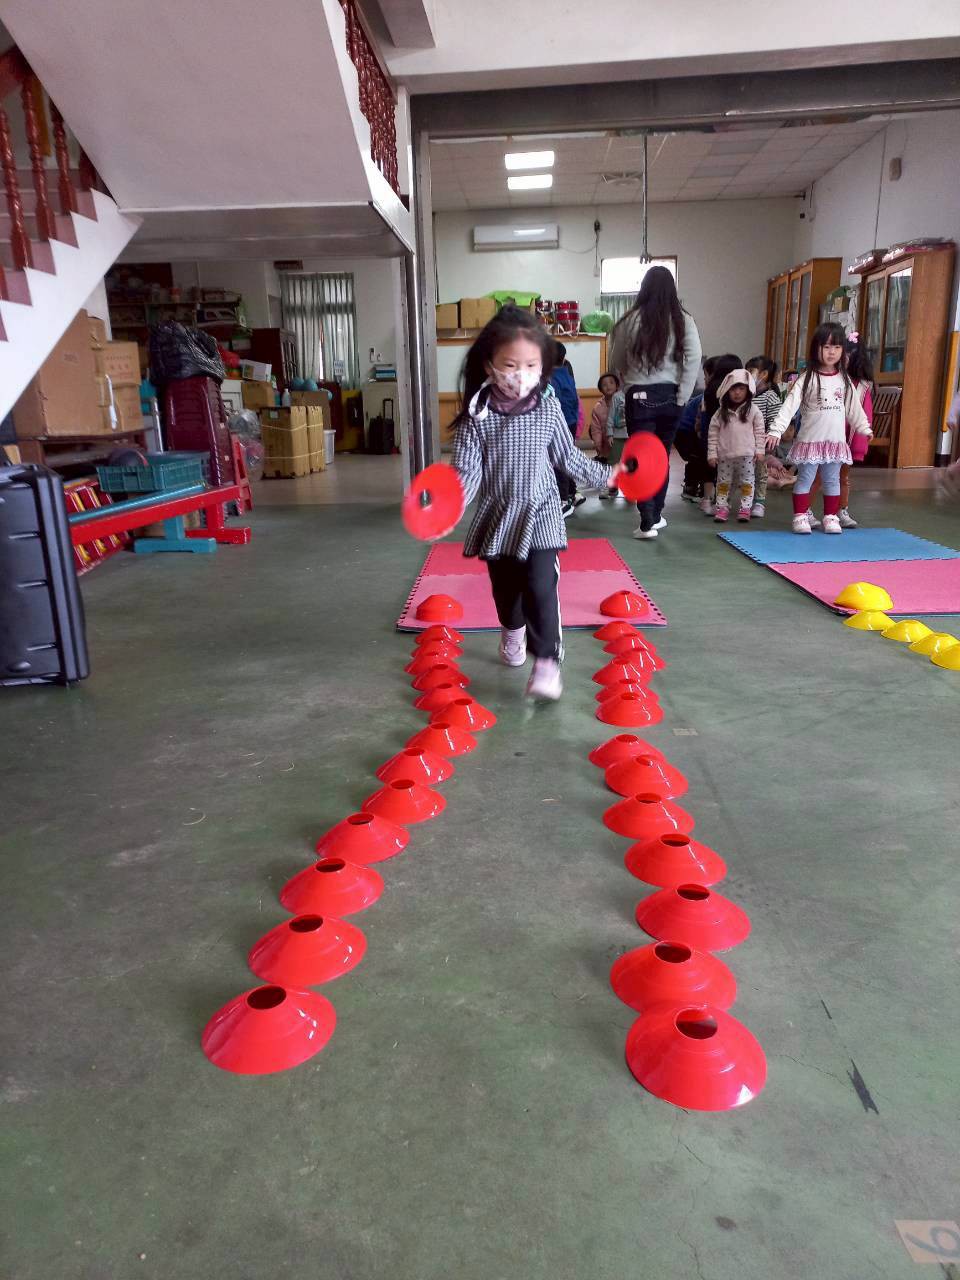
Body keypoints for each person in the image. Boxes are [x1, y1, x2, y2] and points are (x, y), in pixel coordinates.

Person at [451, 307, 621, 700]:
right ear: (489, 365)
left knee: (541, 586)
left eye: (531, 365)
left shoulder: (547, 407)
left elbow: (567, 457)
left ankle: (546, 661)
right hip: (498, 515)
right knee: (506, 593)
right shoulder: (477, 415)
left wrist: (606, 475)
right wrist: (450, 504)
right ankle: (512, 631)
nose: (521, 373)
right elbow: (467, 471)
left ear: (543, 365)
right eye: (510, 365)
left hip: (542, 513)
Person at [609, 265, 703, 539]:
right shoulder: (683, 319)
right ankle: (656, 515)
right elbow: (694, 358)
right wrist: (683, 395)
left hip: (639, 396)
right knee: (661, 457)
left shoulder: (629, 320)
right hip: (672, 397)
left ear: (644, 288)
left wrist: (629, 381)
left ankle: (647, 520)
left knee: (641, 458)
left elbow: (616, 360)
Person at [765, 322, 872, 535]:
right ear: (816, 348)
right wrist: (776, 430)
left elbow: (854, 408)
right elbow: (789, 406)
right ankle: (800, 515)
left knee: (832, 480)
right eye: (826, 346)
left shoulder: (844, 380)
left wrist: (863, 427)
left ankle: (831, 516)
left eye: (837, 347)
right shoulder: (807, 378)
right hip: (810, 442)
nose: (832, 352)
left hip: (835, 442)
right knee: (806, 478)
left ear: (843, 351)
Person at [808, 337, 874, 527]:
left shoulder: (862, 386)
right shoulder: (829, 378)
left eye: (844, 352)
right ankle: (805, 510)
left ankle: (841, 510)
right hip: (826, 435)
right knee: (817, 475)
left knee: (843, 477)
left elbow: (864, 413)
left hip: (848, 438)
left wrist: (862, 438)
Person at [706, 369, 765, 523]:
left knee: (747, 482)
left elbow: (760, 432)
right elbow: (713, 434)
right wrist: (712, 454)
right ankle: (722, 507)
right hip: (725, 456)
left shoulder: (753, 410)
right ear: (727, 390)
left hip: (747, 456)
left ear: (748, 390)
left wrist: (760, 450)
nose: (737, 393)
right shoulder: (720, 413)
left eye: (741, 388)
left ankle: (745, 508)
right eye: (733, 389)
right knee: (723, 483)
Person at [697, 353, 742, 515]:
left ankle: (706, 500)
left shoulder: (710, 388)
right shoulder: (732, 389)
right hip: (726, 435)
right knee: (726, 469)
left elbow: (704, 412)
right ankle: (722, 502)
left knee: (709, 467)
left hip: (709, 432)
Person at [744, 356, 782, 518]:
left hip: (760, 445)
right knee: (745, 474)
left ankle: (759, 503)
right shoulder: (746, 395)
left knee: (760, 474)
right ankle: (746, 501)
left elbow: (775, 421)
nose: (747, 374)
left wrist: (768, 441)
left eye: (750, 371)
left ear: (764, 374)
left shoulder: (770, 396)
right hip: (744, 443)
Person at [674, 356, 716, 502]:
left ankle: (698, 488)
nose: (705, 380)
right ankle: (691, 488)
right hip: (685, 432)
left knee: (700, 458)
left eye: (706, 376)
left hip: (692, 431)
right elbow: (701, 422)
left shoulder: (714, 395)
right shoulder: (708, 396)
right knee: (698, 458)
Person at [548, 341, 582, 517]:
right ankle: (571, 493)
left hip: (560, 424)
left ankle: (563, 500)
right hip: (571, 422)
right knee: (565, 458)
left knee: (558, 461)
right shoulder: (566, 373)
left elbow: (554, 404)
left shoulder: (551, 379)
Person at [589, 371, 625, 499]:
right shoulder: (598, 408)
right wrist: (598, 444)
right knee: (610, 466)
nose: (608, 386)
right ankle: (612, 488)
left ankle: (628, 487)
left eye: (611, 383)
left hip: (622, 440)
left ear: (617, 386)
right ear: (600, 389)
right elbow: (596, 429)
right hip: (607, 443)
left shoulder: (622, 401)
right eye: (604, 384)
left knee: (626, 465)